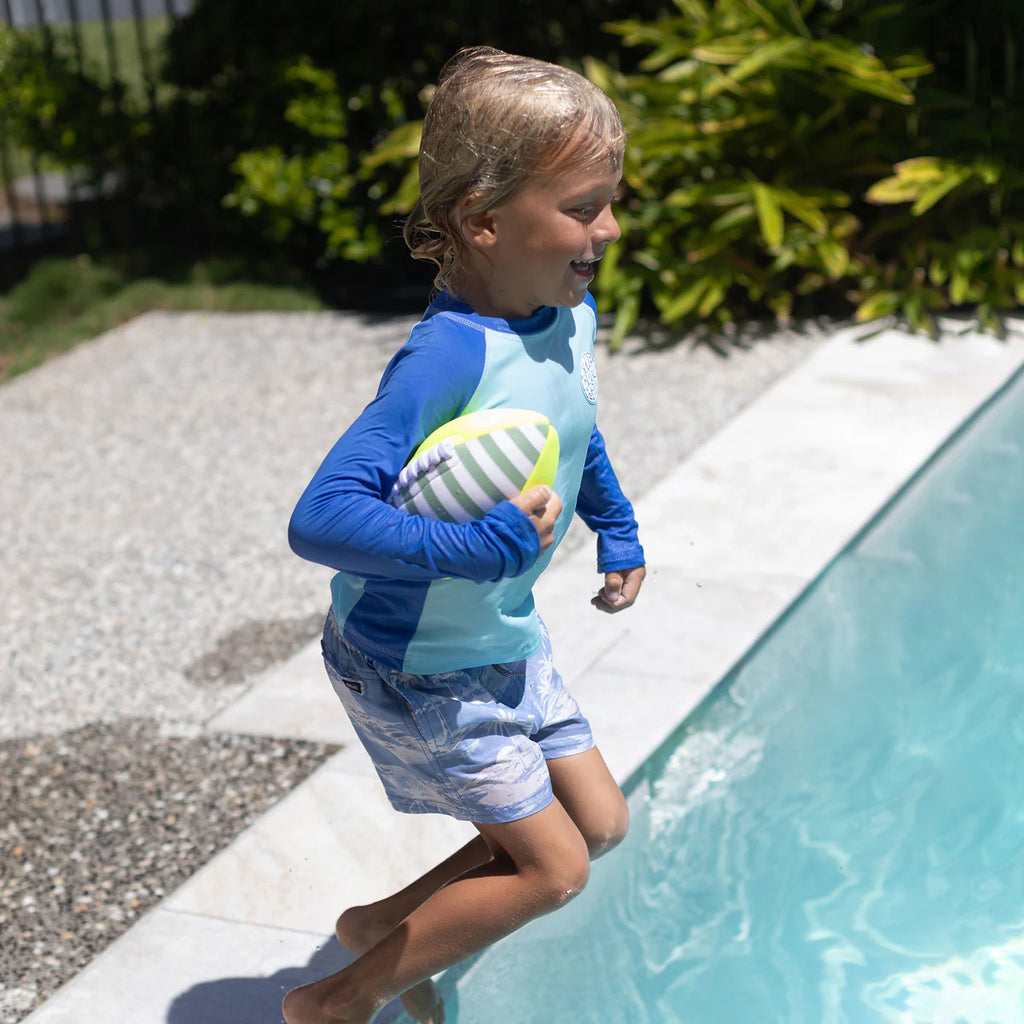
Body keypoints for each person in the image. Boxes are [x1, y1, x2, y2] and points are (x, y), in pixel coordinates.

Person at [282, 45, 646, 1024]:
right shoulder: (443, 356)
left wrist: (614, 524)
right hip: (417, 657)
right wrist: (471, 548)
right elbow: (318, 519)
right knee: (553, 868)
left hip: (498, 633)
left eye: (611, 200)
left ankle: (379, 927)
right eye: (581, 207)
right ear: (483, 222)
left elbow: (573, 421)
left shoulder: (568, 313)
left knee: (598, 822)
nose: (607, 227)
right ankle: (336, 998)